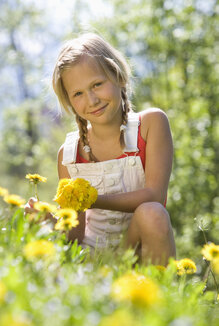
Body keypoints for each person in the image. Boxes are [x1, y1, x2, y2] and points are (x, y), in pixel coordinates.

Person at [27, 33, 176, 265]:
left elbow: (154, 195)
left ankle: (164, 297)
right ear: (69, 101)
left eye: (97, 84)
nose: (92, 100)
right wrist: (50, 222)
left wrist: (92, 198)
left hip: (137, 251)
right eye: (78, 94)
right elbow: (75, 235)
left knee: (153, 213)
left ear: (118, 76)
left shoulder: (150, 125)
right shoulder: (69, 154)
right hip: (92, 261)